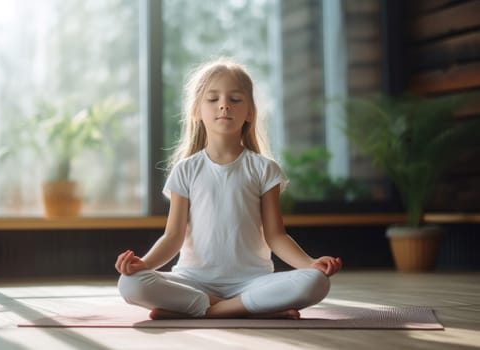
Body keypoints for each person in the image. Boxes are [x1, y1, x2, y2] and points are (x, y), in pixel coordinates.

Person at [115, 58, 342, 320]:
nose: (224, 104)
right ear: (197, 111)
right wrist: (143, 264)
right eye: (213, 99)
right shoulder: (185, 170)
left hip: (253, 282)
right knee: (130, 284)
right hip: (193, 280)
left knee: (316, 282)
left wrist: (310, 264)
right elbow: (173, 237)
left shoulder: (264, 169)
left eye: (235, 99)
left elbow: (276, 236)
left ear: (250, 113)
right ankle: (248, 309)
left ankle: (207, 309)